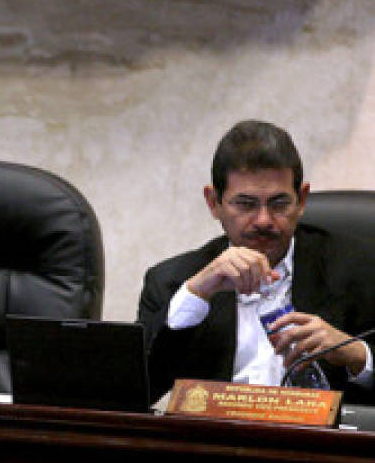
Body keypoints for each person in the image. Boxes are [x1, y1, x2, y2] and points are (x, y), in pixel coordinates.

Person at [138, 119, 375, 401]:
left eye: (279, 204)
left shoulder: (361, 267)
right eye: (246, 204)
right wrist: (196, 295)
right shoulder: (172, 282)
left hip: (322, 442)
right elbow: (139, 392)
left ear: (301, 200)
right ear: (214, 203)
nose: (263, 220)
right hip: (218, 442)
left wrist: (357, 355)